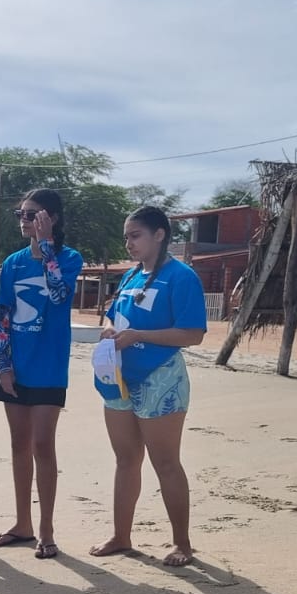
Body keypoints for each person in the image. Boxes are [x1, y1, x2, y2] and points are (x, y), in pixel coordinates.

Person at [89, 205, 207, 567]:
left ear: (159, 235)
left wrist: (140, 335)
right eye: (126, 237)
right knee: (125, 459)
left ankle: (182, 543)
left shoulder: (181, 276)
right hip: (119, 376)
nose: (129, 243)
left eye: (136, 235)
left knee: (166, 462)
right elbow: (113, 316)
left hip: (161, 377)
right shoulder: (131, 276)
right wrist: (111, 330)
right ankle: (121, 535)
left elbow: (193, 334)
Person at [0, 189, 83, 559]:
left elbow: (59, 295)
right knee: (19, 445)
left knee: (42, 445)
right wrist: (3, 365)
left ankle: (46, 528)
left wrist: (46, 246)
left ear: (52, 218)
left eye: (32, 214)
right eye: (21, 214)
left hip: (49, 365)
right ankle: (22, 523)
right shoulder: (13, 263)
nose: (24, 220)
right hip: (16, 364)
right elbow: (3, 315)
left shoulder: (69, 257)